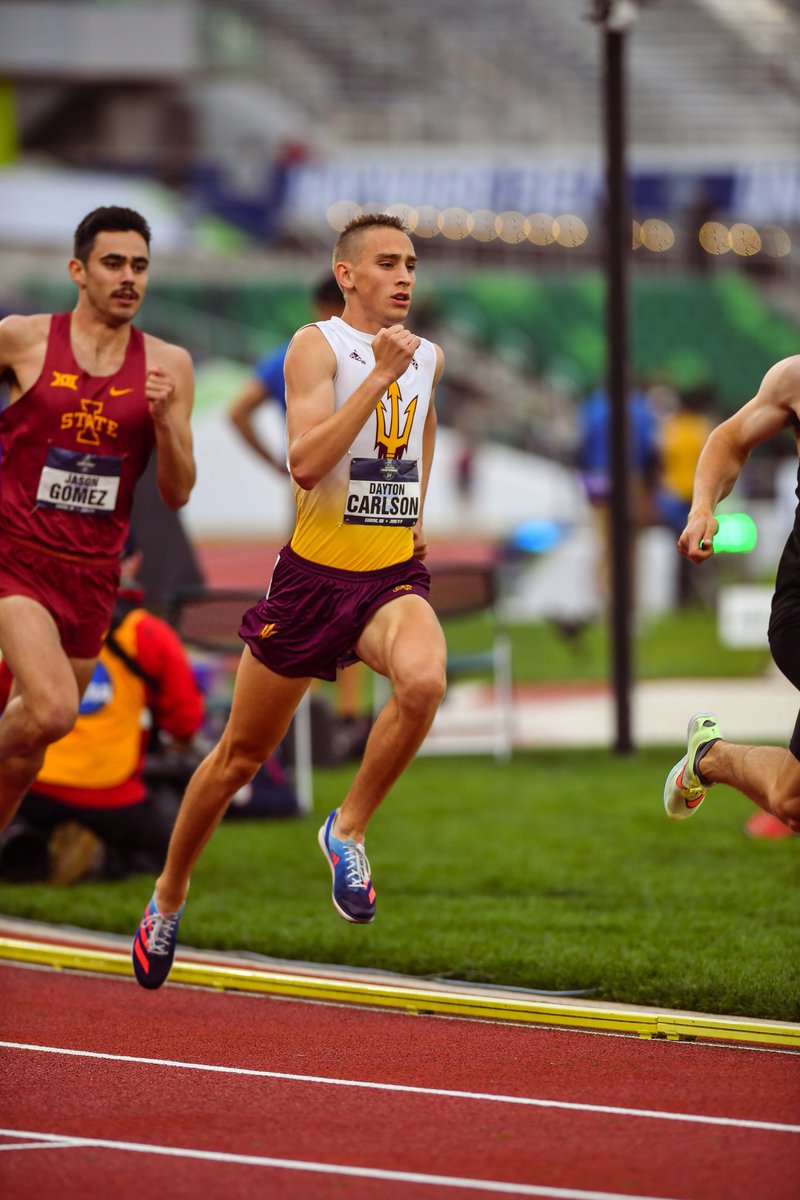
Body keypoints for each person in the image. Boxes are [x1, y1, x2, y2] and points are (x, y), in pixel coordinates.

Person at [132, 212, 446, 989]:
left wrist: (414, 515)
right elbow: (304, 463)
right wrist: (376, 377)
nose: (404, 276)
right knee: (238, 758)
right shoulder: (316, 346)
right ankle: (168, 895)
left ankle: (347, 829)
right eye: (387, 262)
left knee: (424, 681)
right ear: (347, 275)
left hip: (388, 579)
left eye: (411, 263)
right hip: (311, 584)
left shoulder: (428, 356)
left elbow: (423, 429)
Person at [0, 205, 196, 841]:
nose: (128, 277)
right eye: (113, 263)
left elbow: (177, 491)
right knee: (54, 711)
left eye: (140, 265)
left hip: (94, 577)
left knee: (28, 753)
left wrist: (165, 422)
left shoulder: (169, 365)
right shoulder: (22, 338)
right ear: (78, 271)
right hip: (17, 557)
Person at [0, 541, 205, 884]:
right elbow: (185, 723)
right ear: (134, 563)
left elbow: (7, 698)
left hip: (37, 785)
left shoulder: (39, 626)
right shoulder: (151, 634)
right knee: (164, 850)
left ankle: (24, 842)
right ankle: (106, 858)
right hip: (112, 793)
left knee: (14, 803)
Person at [663, 355, 800, 838]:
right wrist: (702, 509)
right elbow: (729, 440)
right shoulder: (794, 378)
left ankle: (710, 758)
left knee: (792, 801)